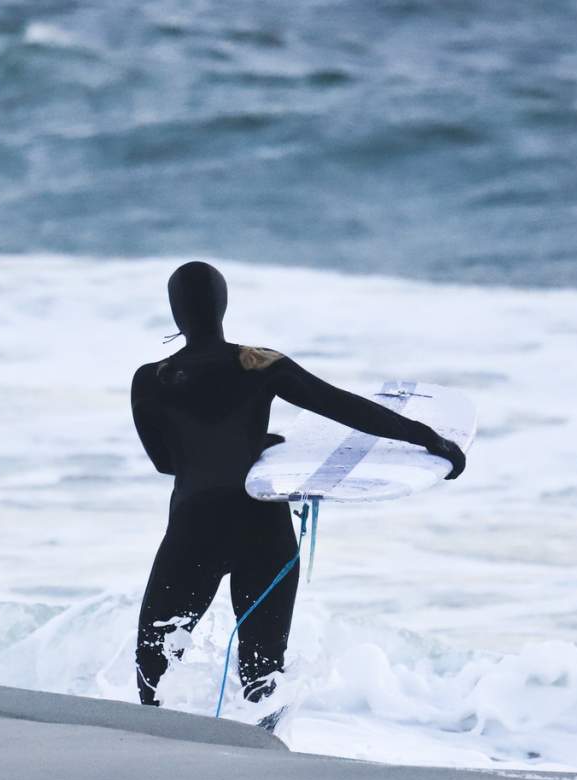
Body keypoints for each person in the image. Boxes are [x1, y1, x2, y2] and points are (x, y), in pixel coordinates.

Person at [131, 261, 465, 708]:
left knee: (155, 661)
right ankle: (264, 748)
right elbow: (343, 407)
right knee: (262, 667)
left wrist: (227, 447)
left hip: (195, 529)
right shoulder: (261, 363)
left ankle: (156, 741)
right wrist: (428, 437)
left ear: (175, 312)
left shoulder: (151, 380)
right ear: (222, 307)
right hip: (261, 526)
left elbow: (164, 463)